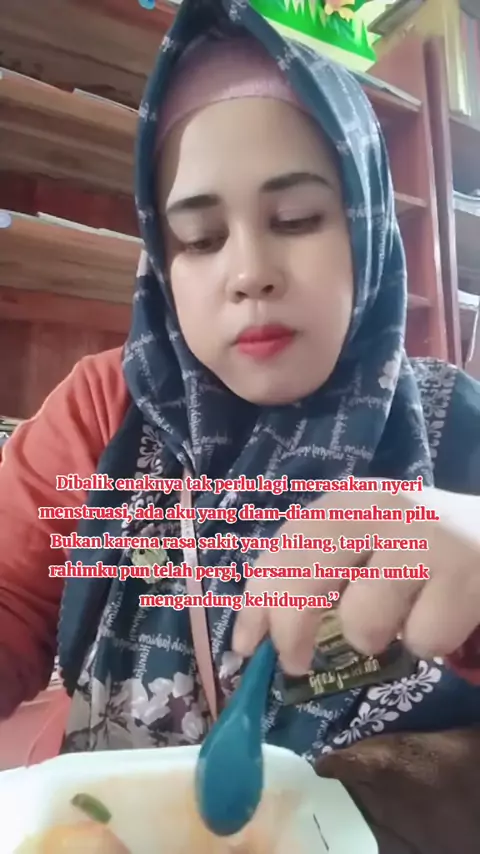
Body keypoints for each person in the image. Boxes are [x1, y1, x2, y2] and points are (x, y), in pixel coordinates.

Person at [1, 0, 480, 767]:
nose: (250, 272)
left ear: (367, 230)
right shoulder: (105, 408)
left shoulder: (453, 423)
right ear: (161, 265)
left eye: (296, 219)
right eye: (200, 239)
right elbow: (12, 599)